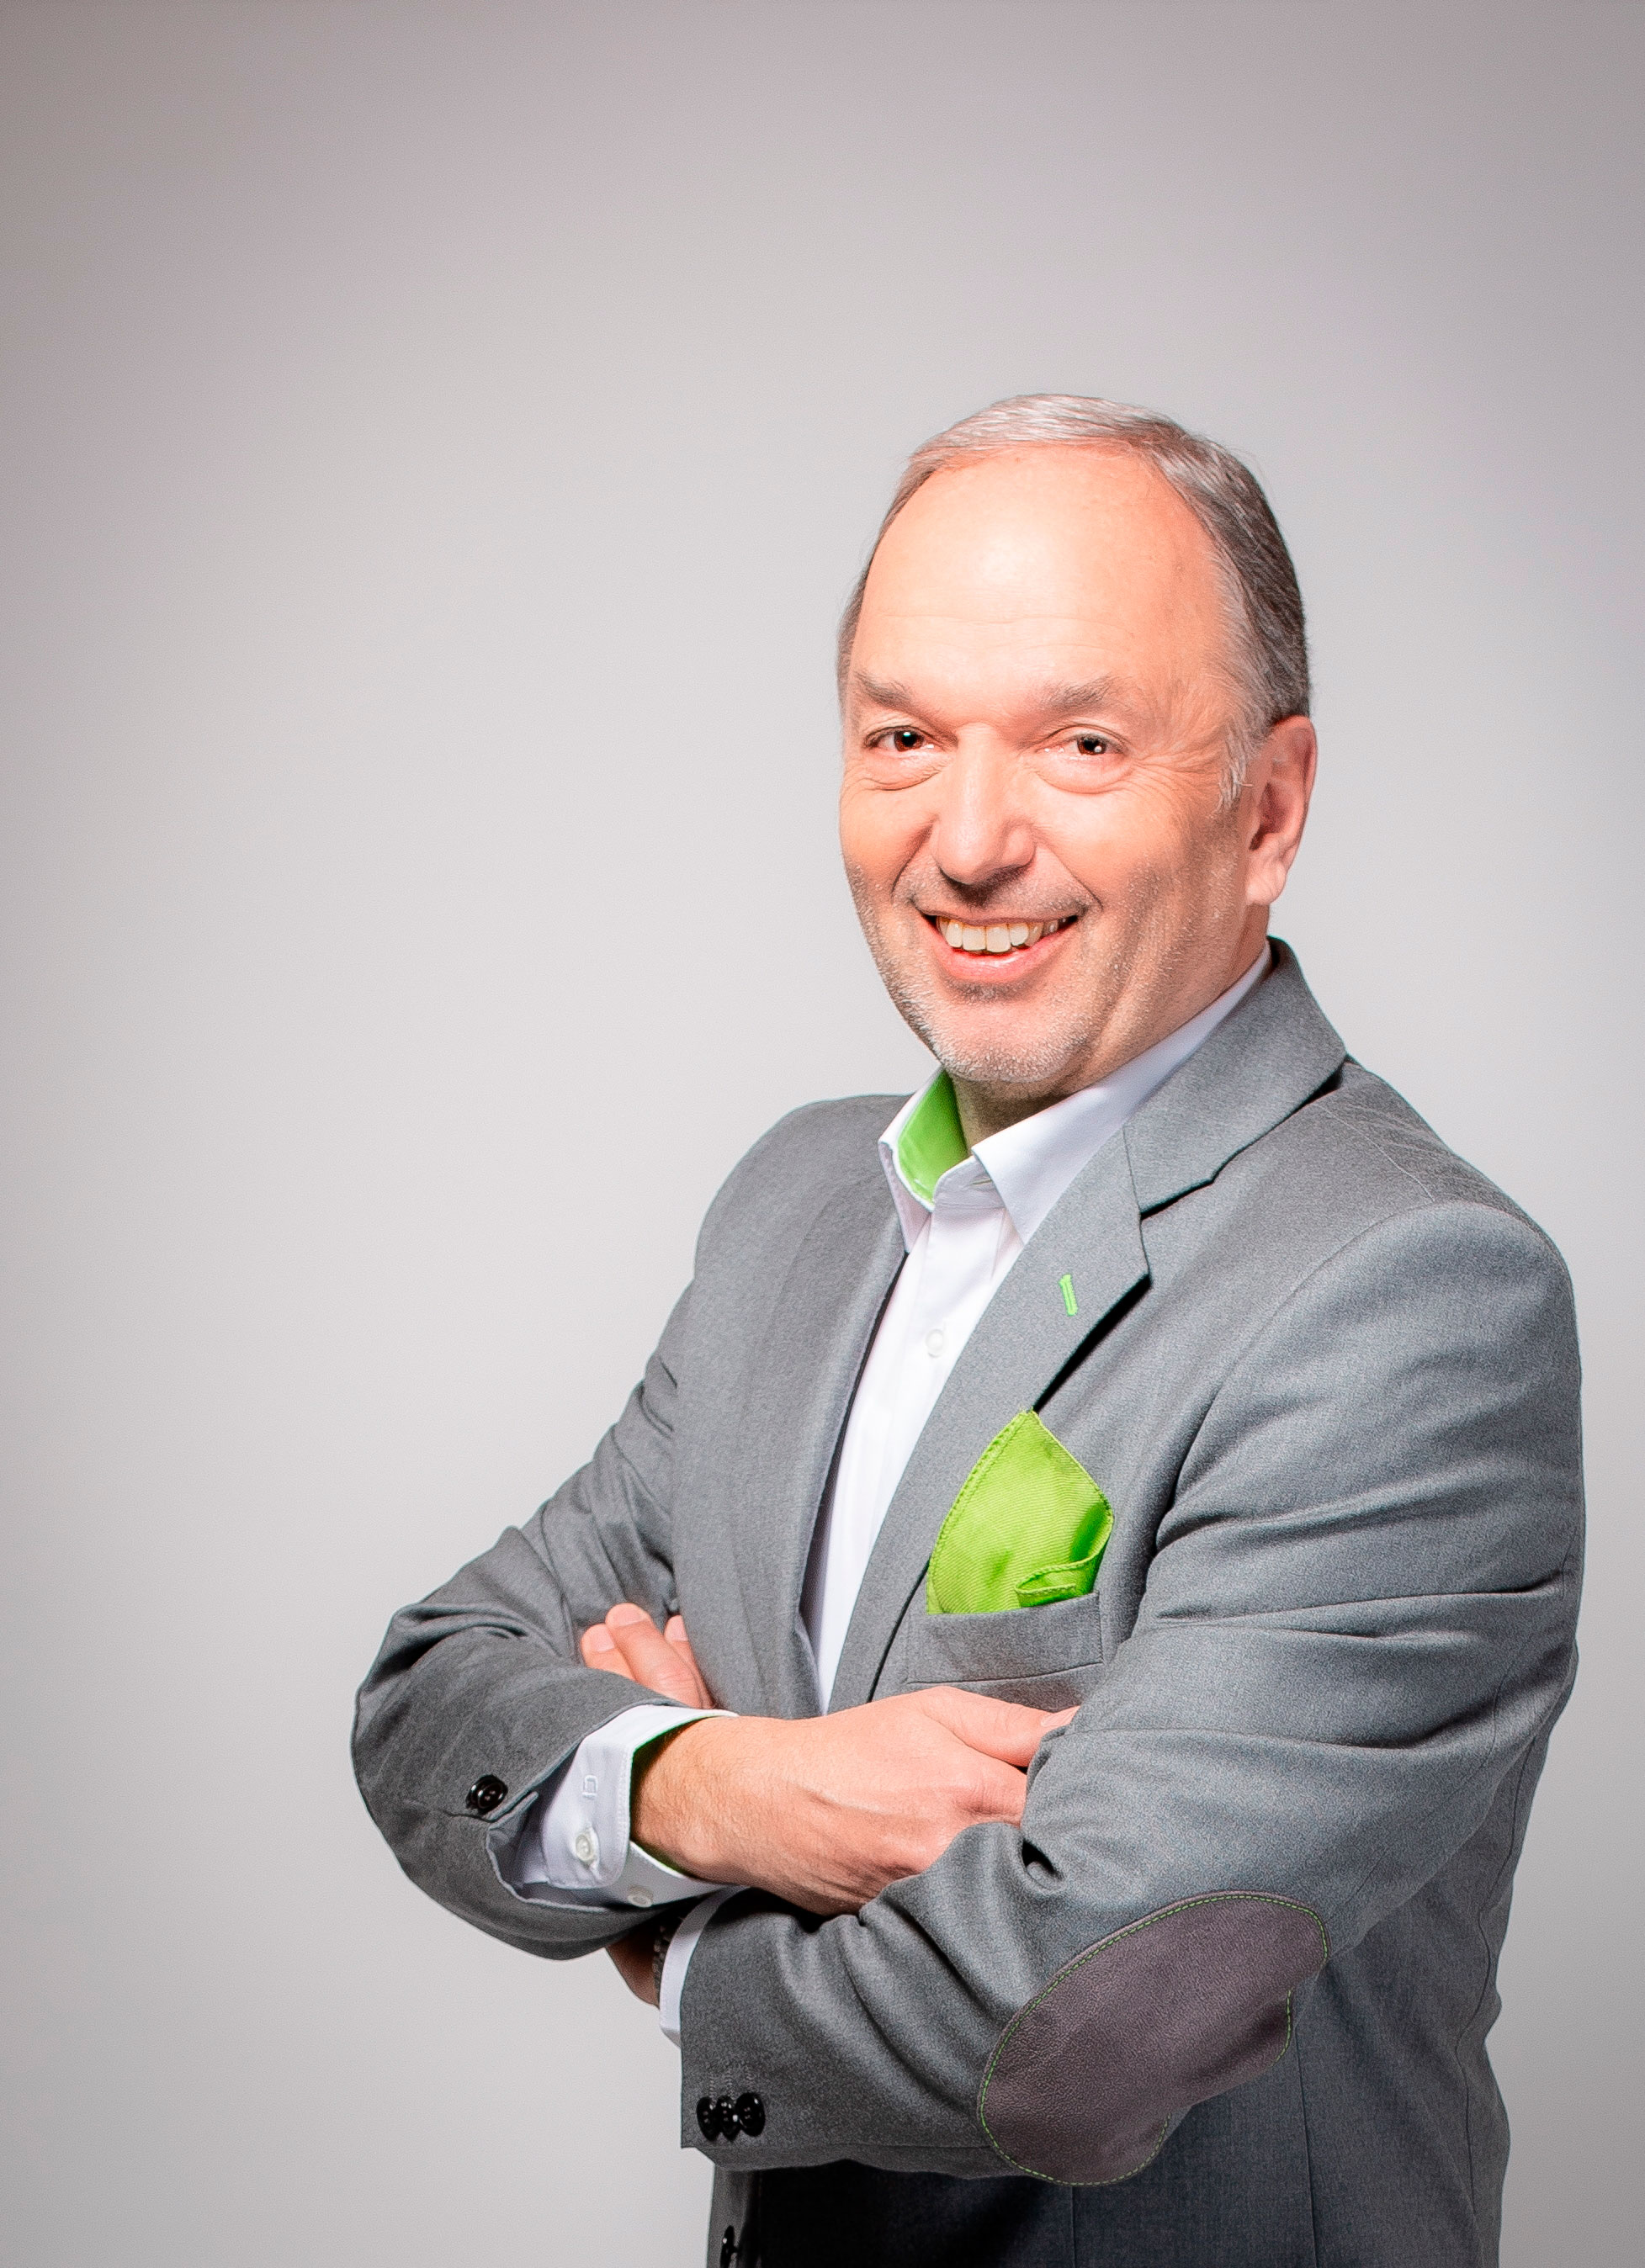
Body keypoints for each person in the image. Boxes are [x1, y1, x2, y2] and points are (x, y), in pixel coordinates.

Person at [353, 396, 1582, 2268]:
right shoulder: (794, 1212)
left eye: (1082, 743)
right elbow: (436, 1699)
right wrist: (729, 1786)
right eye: (904, 739)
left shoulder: (1407, 1294)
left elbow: (1076, 2033)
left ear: (1268, 808)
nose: (971, 839)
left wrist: (670, 1937)